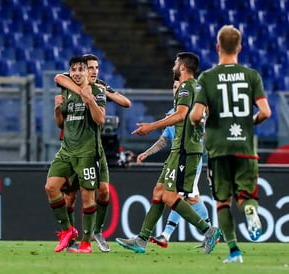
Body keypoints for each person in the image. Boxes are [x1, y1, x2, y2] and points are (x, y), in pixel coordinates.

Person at [115, 52, 221, 255]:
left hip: (185, 150)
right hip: (181, 149)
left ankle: (208, 231)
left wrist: (151, 126)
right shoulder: (198, 88)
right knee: (159, 192)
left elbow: (181, 115)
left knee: (170, 195)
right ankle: (141, 240)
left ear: (182, 67)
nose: (173, 66)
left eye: (175, 63)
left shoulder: (186, 87)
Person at [190, 25, 272, 264]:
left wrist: (202, 128)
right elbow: (266, 112)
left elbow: (195, 116)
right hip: (245, 147)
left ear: (217, 47)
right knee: (246, 195)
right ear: (240, 48)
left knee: (222, 201)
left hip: (218, 148)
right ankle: (249, 209)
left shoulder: (207, 78)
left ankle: (234, 251)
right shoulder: (251, 76)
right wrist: (250, 123)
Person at [54, 54, 131, 253]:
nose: (94, 71)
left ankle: (96, 231)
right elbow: (58, 78)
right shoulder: (70, 80)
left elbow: (126, 103)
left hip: (94, 148)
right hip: (71, 146)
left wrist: (104, 93)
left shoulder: (100, 87)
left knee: (103, 190)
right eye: (90, 67)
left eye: (96, 67)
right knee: (70, 196)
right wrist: (82, 91)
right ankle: (71, 238)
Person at [45, 55, 107, 253]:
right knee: (51, 187)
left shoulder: (98, 91)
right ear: (70, 72)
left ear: (88, 73)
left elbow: (100, 120)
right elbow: (61, 123)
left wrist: (90, 101)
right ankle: (67, 230)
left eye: (82, 70)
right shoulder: (67, 90)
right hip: (66, 150)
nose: (78, 73)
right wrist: (56, 110)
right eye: (74, 70)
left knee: (88, 197)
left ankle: (86, 242)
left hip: (87, 152)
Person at [137, 81, 210, 249]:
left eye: (179, 87)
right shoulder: (172, 113)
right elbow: (164, 139)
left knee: (177, 195)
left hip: (188, 159)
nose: (176, 90)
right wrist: (146, 153)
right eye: (174, 87)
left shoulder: (193, 112)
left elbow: (203, 135)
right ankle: (210, 232)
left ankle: (166, 234)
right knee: (192, 198)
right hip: (176, 157)